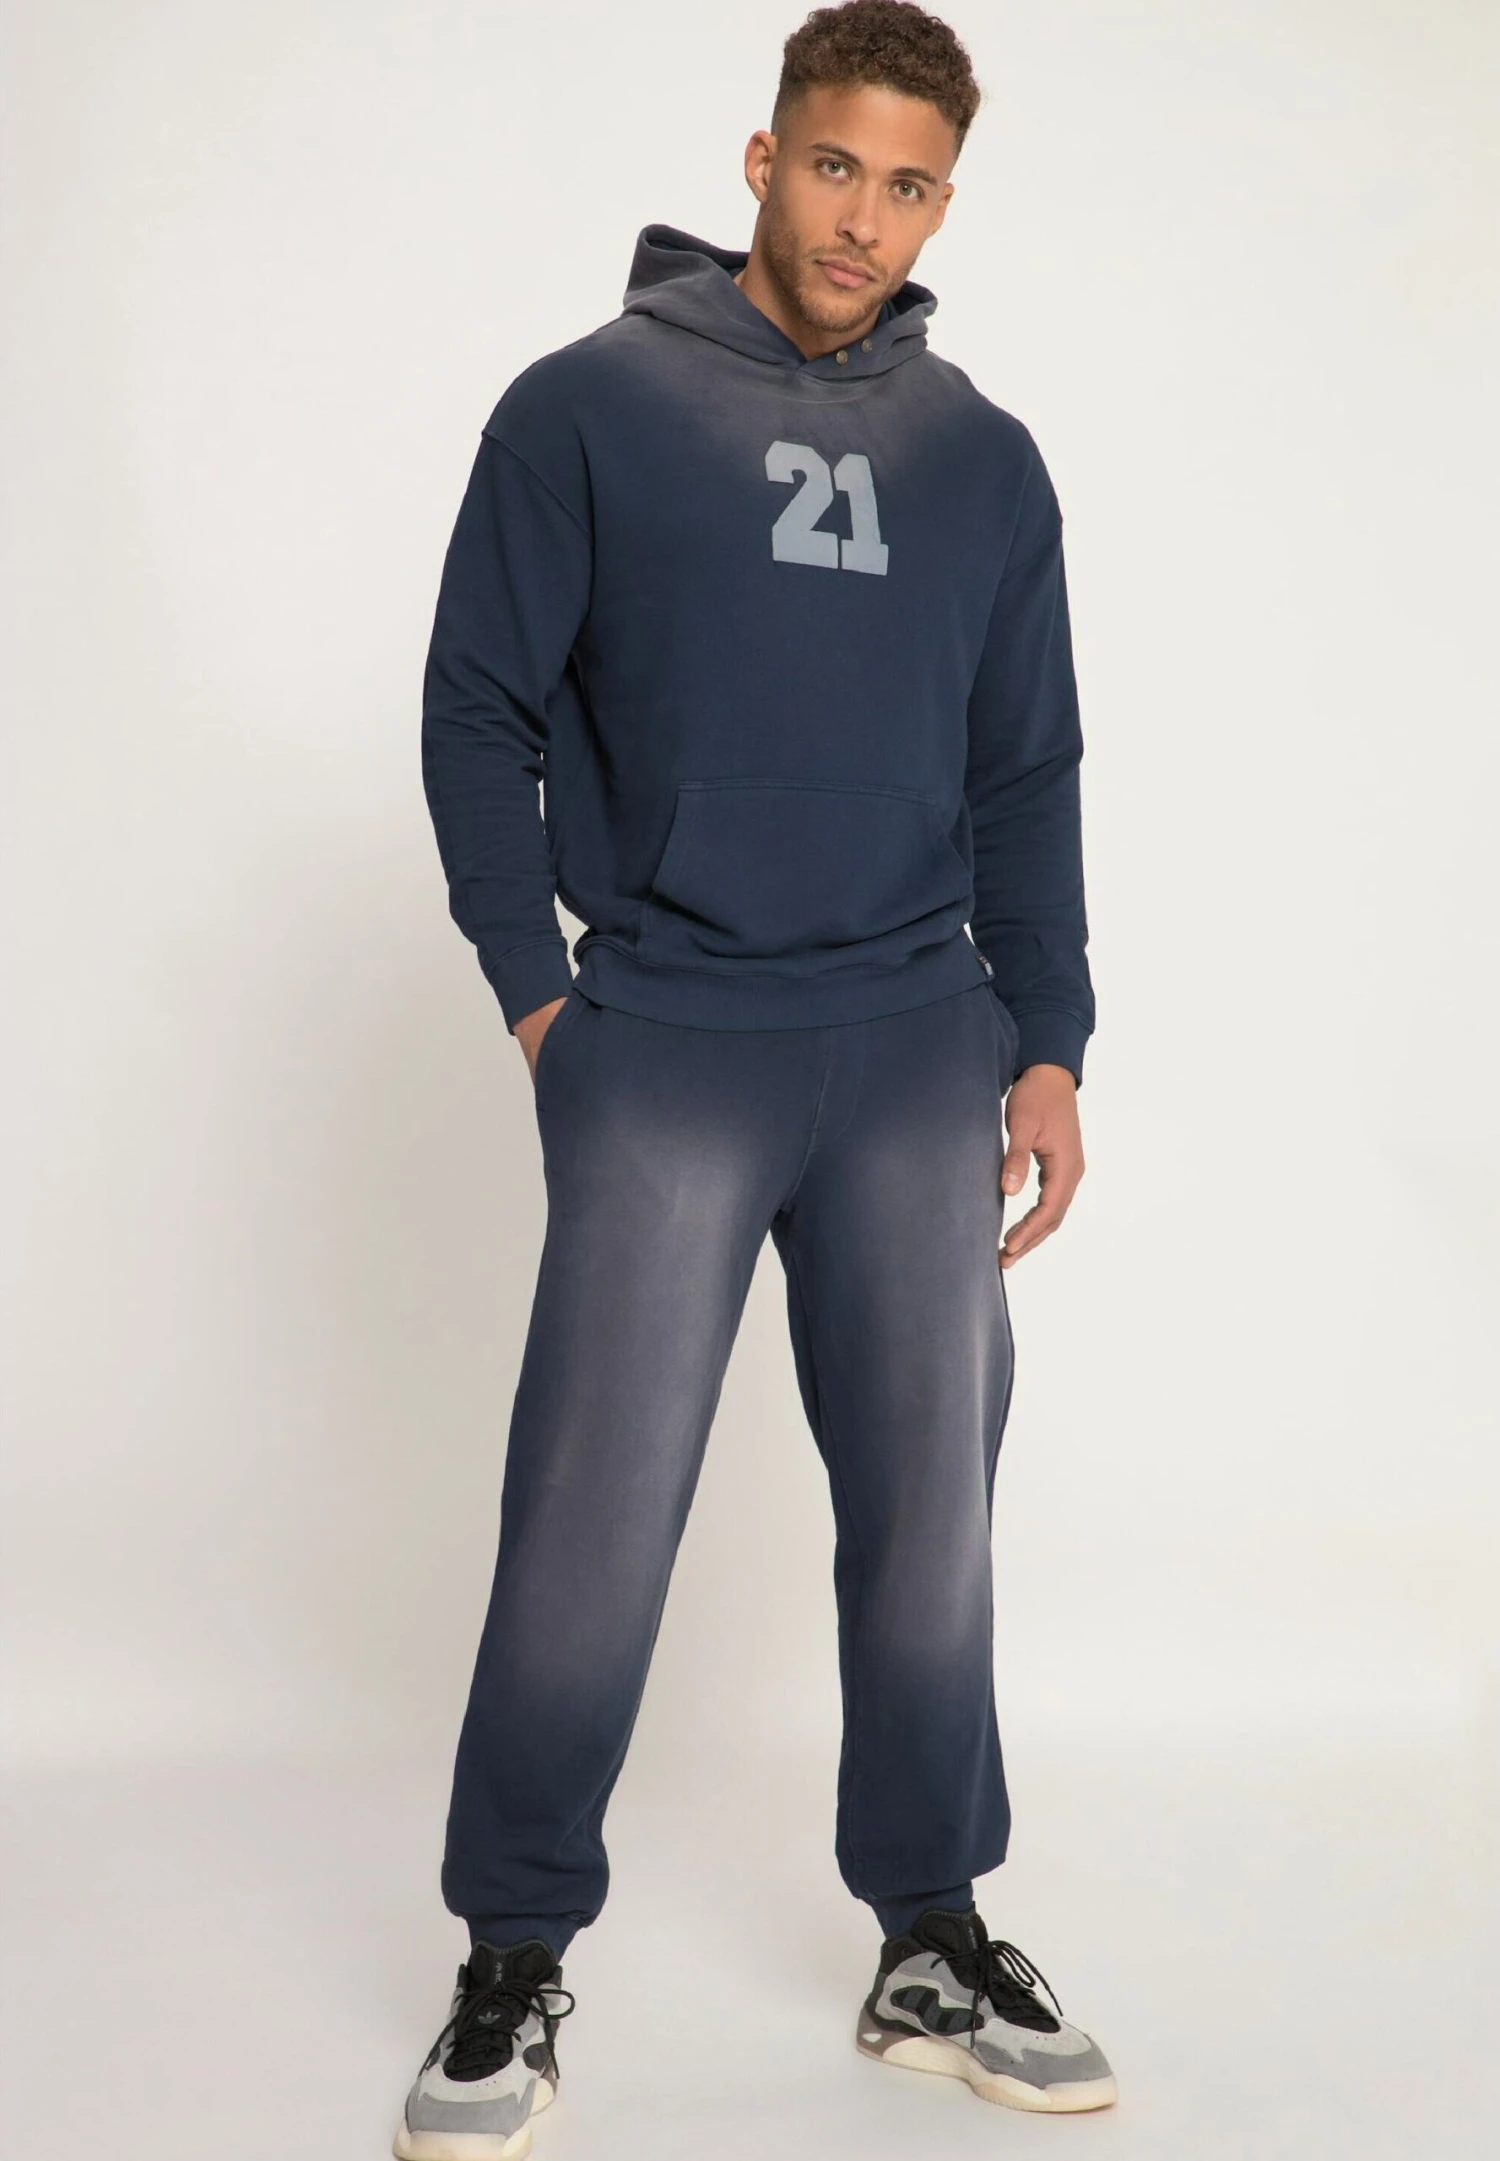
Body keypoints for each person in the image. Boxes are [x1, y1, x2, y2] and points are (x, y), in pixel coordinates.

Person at [394, 5, 1116, 2153]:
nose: (862, 219)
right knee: (592, 1512)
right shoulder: (589, 409)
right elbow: (474, 710)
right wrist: (541, 996)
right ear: (761, 158)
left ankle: (930, 1932)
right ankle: (513, 1951)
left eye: (908, 186)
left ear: (944, 204)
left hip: (913, 1047)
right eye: (832, 167)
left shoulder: (986, 459)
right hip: (669, 1045)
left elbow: (1028, 772)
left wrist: (1050, 1040)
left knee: (930, 1518)